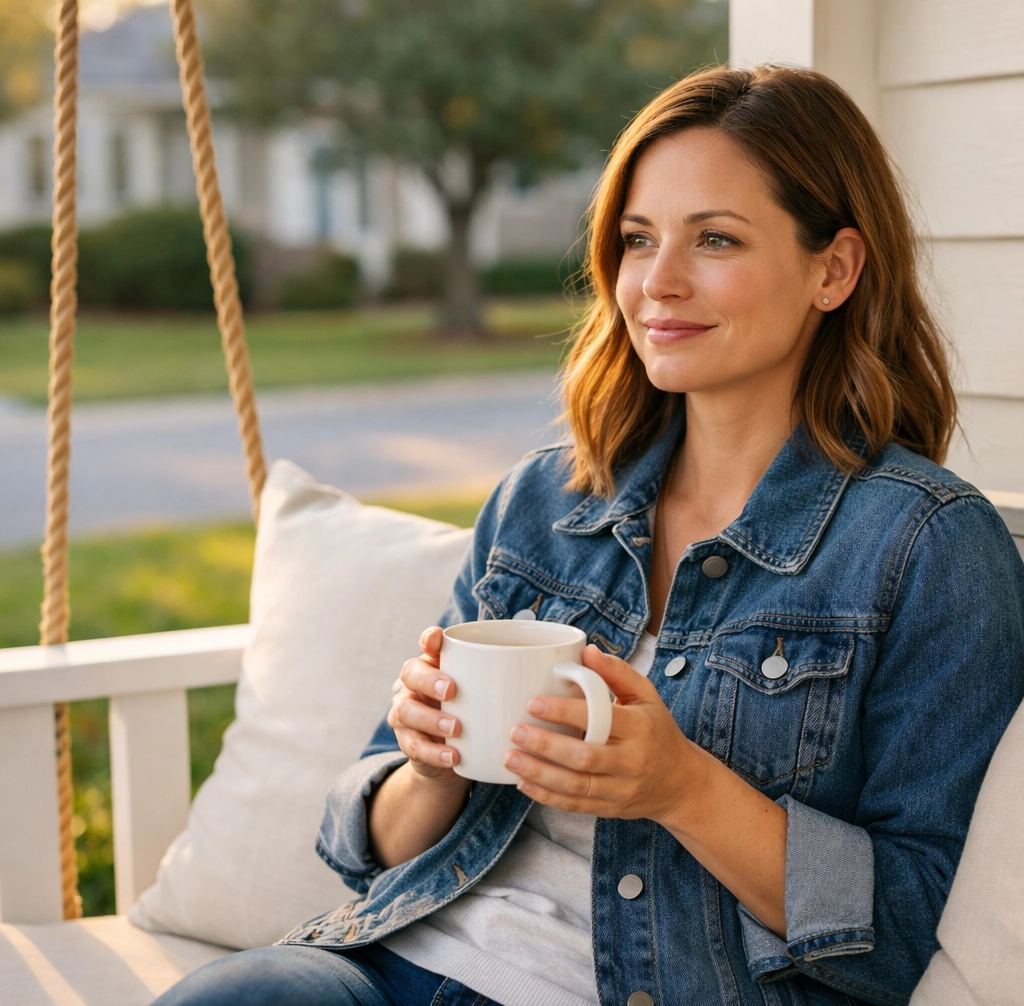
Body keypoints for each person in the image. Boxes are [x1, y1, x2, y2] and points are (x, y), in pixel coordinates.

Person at [154, 65, 1024, 1006]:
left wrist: (684, 788)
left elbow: (911, 929)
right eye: (637, 239)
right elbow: (372, 855)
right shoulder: (546, 500)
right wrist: (430, 766)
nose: (657, 282)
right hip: (388, 968)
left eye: (716, 240)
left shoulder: (929, 548)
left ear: (835, 269)